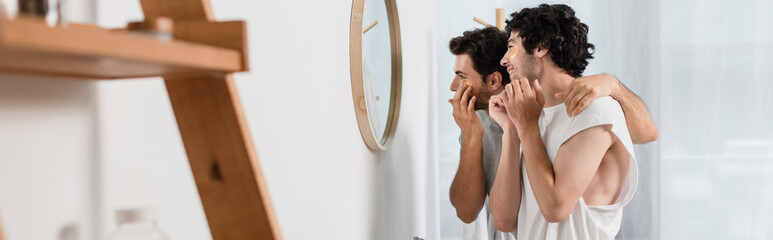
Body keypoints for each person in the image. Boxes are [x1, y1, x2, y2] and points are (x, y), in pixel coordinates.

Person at [448, 26, 657, 240]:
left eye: (461, 77)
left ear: (494, 81)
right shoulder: (491, 122)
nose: (453, 87)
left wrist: (614, 86)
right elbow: (478, 215)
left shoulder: (572, 110)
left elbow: (646, 133)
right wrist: (475, 136)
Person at [488, 4, 646, 239]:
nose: (503, 60)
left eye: (511, 47)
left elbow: (555, 209)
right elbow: (504, 220)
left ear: (540, 47)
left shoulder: (597, 110)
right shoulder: (528, 116)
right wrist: (511, 129)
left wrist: (527, 127)